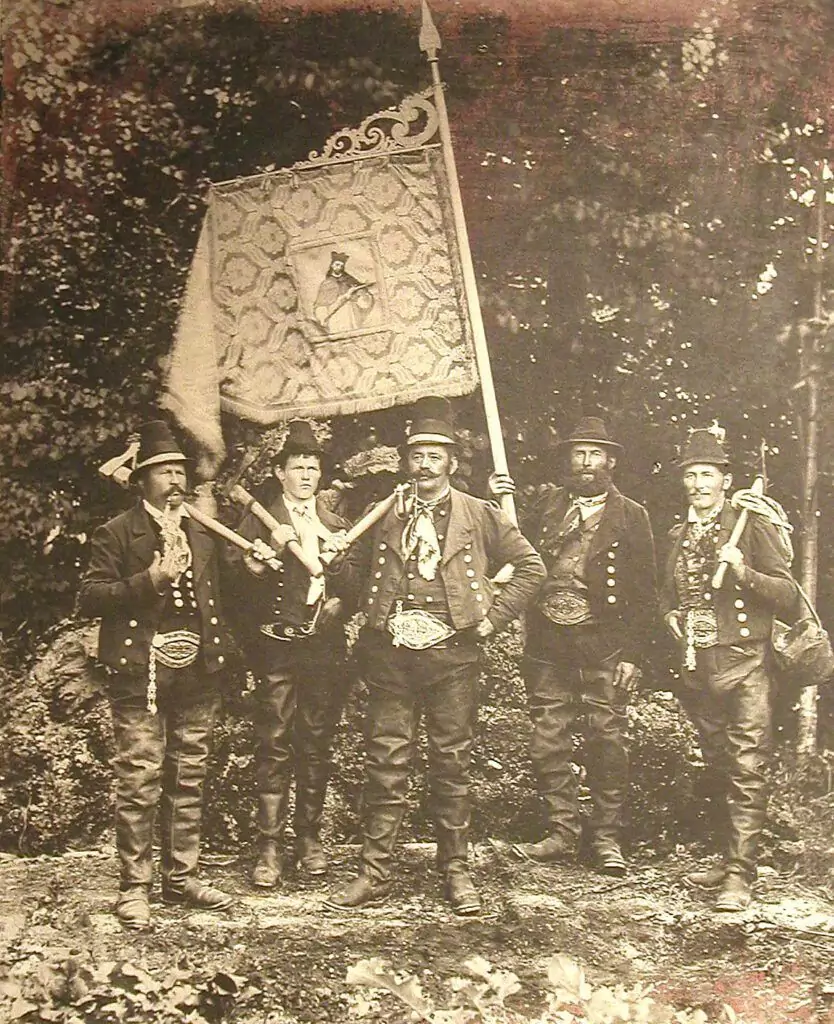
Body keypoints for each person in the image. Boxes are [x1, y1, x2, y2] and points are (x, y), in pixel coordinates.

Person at [325, 397, 546, 916]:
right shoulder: (382, 514)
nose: (424, 465)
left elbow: (532, 567)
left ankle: (456, 870)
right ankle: (374, 872)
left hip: (453, 658)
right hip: (391, 657)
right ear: (407, 460)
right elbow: (355, 582)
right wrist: (335, 562)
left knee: (451, 764)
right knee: (386, 763)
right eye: (417, 455)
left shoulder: (479, 514)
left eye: (434, 455)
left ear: (451, 462)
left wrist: (490, 622)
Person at [78, 420, 239, 930]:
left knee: (188, 775)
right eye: (164, 471)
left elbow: (224, 594)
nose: (175, 480)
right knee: (141, 778)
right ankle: (135, 887)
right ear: (141, 481)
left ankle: (181, 877)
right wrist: (150, 579)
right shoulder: (118, 532)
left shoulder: (203, 532)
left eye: (180, 471)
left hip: (197, 672)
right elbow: (90, 596)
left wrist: (253, 567)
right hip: (139, 673)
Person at [492, 417, 657, 876]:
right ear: (568, 460)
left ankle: (606, 839)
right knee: (548, 740)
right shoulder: (545, 505)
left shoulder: (633, 516)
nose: (586, 464)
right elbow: (507, 542)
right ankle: (561, 833)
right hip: (548, 642)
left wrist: (633, 655)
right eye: (578, 454)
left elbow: (646, 594)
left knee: (607, 740)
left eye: (595, 454)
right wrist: (498, 494)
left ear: (611, 461)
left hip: (603, 644)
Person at [660, 426, 796, 911]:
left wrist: (742, 571)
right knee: (718, 765)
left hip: (748, 663)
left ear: (726, 479)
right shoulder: (678, 533)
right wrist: (671, 615)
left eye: (708, 474)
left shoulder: (750, 525)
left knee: (746, 766)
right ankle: (727, 855)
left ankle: (740, 874)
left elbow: (787, 594)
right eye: (692, 475)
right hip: (699, 667)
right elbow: (666, 594)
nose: (699, 483)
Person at [228, 421, 356, 888]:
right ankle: (268, 846)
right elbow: (232, 587)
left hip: (323, 648)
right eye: (297, 467)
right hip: (275, 647)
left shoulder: (337, 523)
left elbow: (357, 587)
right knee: (274, 741)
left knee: (317, 740)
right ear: (280, 474)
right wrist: (254, 565)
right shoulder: (258, 519)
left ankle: (309, 838)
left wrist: (341, 599)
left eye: (312, 468)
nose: (305, 475)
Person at [313, 250, 375, 334]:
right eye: (337, 265)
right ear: (332, 265)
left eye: (341, 265)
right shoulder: (327, 284)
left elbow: (364, 303)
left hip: (352, 315)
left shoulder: (349, 280)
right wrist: (345, 296)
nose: (339, 267)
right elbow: (321, 308)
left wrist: (362, 295)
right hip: (336, 319)